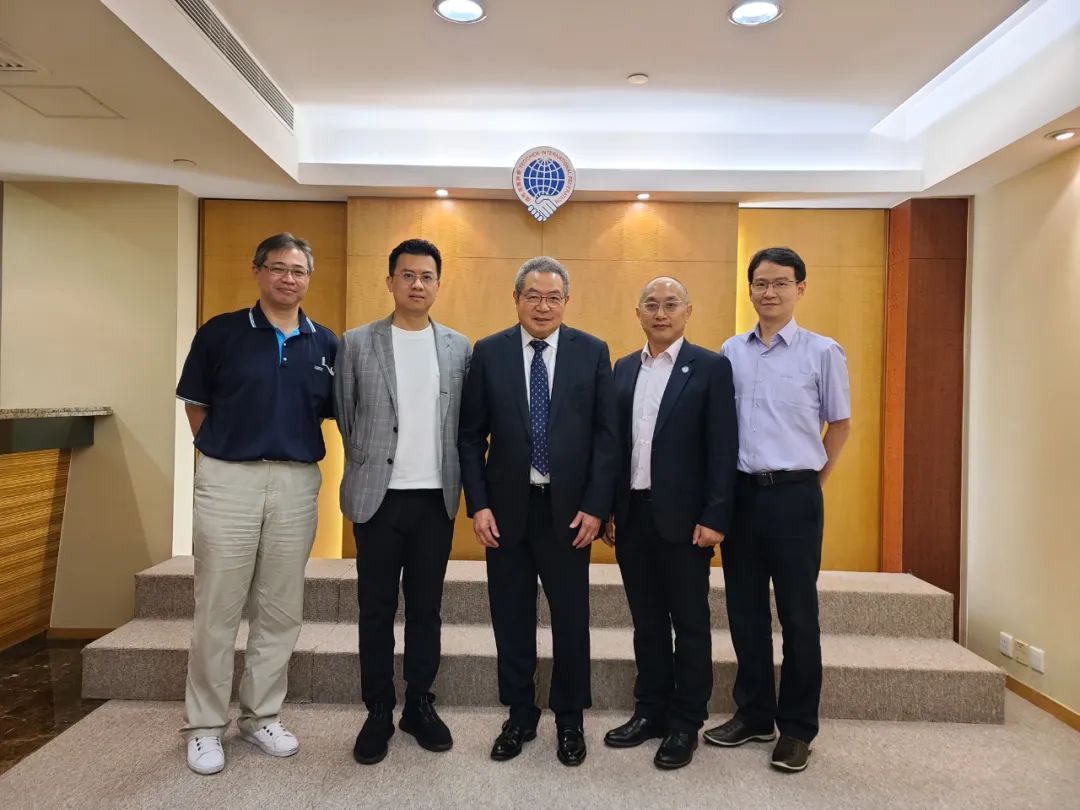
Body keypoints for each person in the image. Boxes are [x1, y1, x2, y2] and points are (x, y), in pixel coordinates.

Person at [176, 232, 337, 775]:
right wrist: (219, 451)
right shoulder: (221, 333)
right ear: (258, 271)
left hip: (295, 483)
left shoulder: (324, 343)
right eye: (278, 268)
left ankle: (261, 715)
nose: (289, 278)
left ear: (308, 278)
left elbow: (332, 412)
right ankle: (204, 725)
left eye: (298, 270)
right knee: (217, 607)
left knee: (281, 609)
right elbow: (195, 404)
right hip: (229, 479)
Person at [458, 256, 617, 766]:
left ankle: (570, 719)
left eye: (552, 297)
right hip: (505, 512)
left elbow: (606, 437)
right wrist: (479, 505)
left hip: (569, 514)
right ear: (516, 298)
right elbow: (470, 437)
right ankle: (520, 715)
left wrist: (596, 507)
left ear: (566, 301)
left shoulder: (592, 351)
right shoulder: (489, 352)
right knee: (511, 617)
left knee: (571, 619)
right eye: (533, 296)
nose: (542, 306)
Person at [705, 246, 851, 773]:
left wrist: (812, 483)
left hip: (794, 496)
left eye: (781, 283)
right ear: (750, 289)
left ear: (800, 289)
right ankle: (754, 715)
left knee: (797, 616)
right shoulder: (730, 351)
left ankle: (797, 728)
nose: (770, 292)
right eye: (761, 283)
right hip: (741, 496)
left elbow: (840, 424)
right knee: (745, 612)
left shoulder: (822, 351)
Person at [334, 238, 470, 765]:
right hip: (378, 499)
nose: (417, 284)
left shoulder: (458, 347)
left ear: (438, 284)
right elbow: (346, 415)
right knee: (376, 608)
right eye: (407, 275)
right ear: (390, 281)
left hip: (435, 499)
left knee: (427, 608)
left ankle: (418, 704)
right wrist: (371, 465)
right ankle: (377, 709)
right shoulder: (356, 342)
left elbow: (464, 424)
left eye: (427, 276)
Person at [603, 277, 738, 770]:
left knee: (690, 623)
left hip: (686, 523)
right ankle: (650, 711)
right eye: (652, 305)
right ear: (638, 312)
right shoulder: (623, 368)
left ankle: (685, 723)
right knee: (647, 623)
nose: (661, 313)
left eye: (670, 304)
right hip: (632, 516)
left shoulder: (710, 367)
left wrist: (715, 515)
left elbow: (723, 446)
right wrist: (610, 509)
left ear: (687, 311)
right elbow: (613, 446)